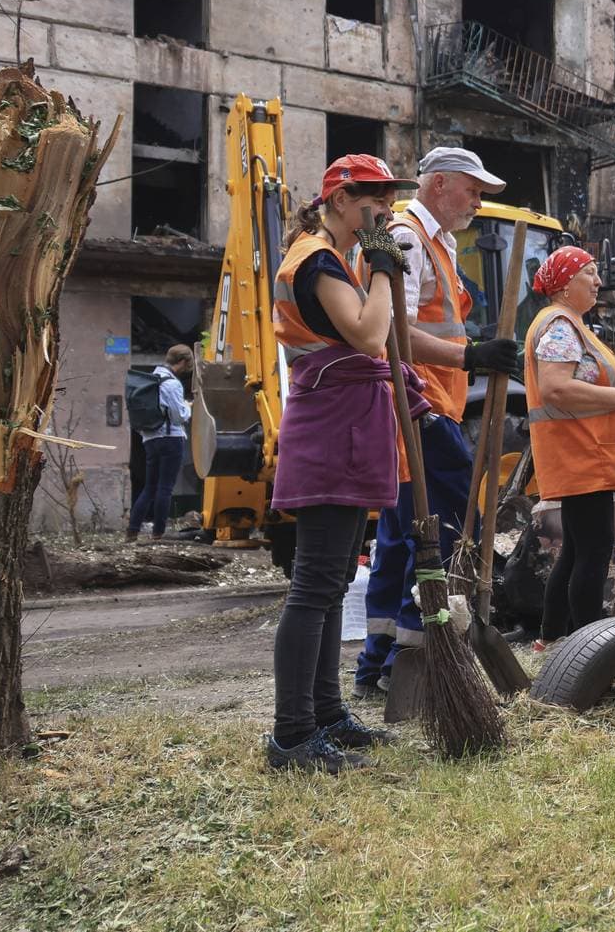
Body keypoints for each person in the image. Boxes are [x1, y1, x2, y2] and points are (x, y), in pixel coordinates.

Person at [263, 153, 417, 773]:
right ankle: (293, 735)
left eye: (386, 197)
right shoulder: (317, 258)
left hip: (343, 423)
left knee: (328, 588)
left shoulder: (331, 255)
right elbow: (369, 334)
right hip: (331, 427)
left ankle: (325, 715)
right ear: (339, 199)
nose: (382, 208)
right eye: (371, 198)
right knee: (314, 588)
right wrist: (382, 269)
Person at [354, 147, 525, 700]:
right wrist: (471, 355)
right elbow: (391, 332)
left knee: (403, 539)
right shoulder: (407, 238)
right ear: (440, 184)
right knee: (440, 528)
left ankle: (377, 665)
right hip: (418, 409)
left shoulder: (438, 244)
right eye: (473, 189)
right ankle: (416, 656)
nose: (478, 201)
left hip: (422, 407)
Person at [522, 244, 615, 640]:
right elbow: (556, 388)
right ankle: (589, 647)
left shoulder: (568, 324)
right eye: (588, 273)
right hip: (583, 456)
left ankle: (553, 637)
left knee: (578, 551)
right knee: (593, 553)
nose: (597, 281)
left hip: (585, 455)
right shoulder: (561, 325)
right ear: (564, 285)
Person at [127, 344, 194, 542]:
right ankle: (158, 533)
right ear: (181, 362)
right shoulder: (172, 384)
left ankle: (132, 530)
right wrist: (188, 407)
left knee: (149, 487)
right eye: (187, 364)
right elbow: (179, 416)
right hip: (171, 439)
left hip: (150, 439)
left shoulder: (149, 380)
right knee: (165, 488)